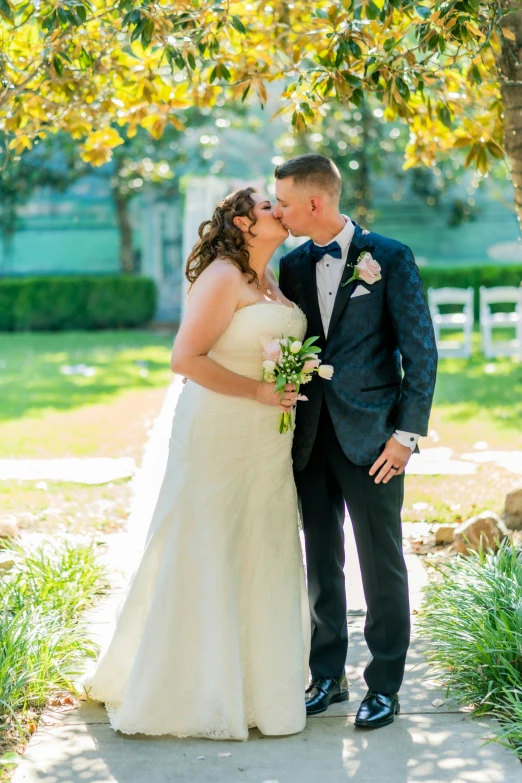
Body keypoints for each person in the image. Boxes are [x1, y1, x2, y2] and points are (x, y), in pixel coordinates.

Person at [80, 188, 311, 740]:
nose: (280, 210)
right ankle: (194, 686)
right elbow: (185, 358)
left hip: (266, 441)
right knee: (208, 541)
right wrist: (259, 392)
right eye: (267, 206)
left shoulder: (270, 279)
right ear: (241, 222)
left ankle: (258, 687)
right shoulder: (224, 276)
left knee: (262, 542)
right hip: (219, 429)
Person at [274, 154, 438, 729]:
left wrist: (405, 437)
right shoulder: (292, 266)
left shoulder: (389, 258)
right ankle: (327, 677)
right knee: (322, 561)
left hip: (375, 441)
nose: (279, 211)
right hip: (311, 439)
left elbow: (420, 352)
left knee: (381, 563)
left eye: (285, 202)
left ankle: (386, 685)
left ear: (315, 202)